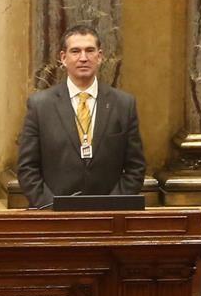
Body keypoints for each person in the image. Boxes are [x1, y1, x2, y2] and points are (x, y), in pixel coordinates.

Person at [17, 24, 145, 208]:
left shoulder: (124, 104)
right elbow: (27, 168)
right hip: (54, 217)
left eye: (90, 51)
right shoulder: (40, 106)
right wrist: (52, 208)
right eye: (75, 51)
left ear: (100, 56)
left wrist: (113, 206)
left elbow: (135, 167)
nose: (83, 58)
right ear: (63, 58)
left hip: (110, 218)